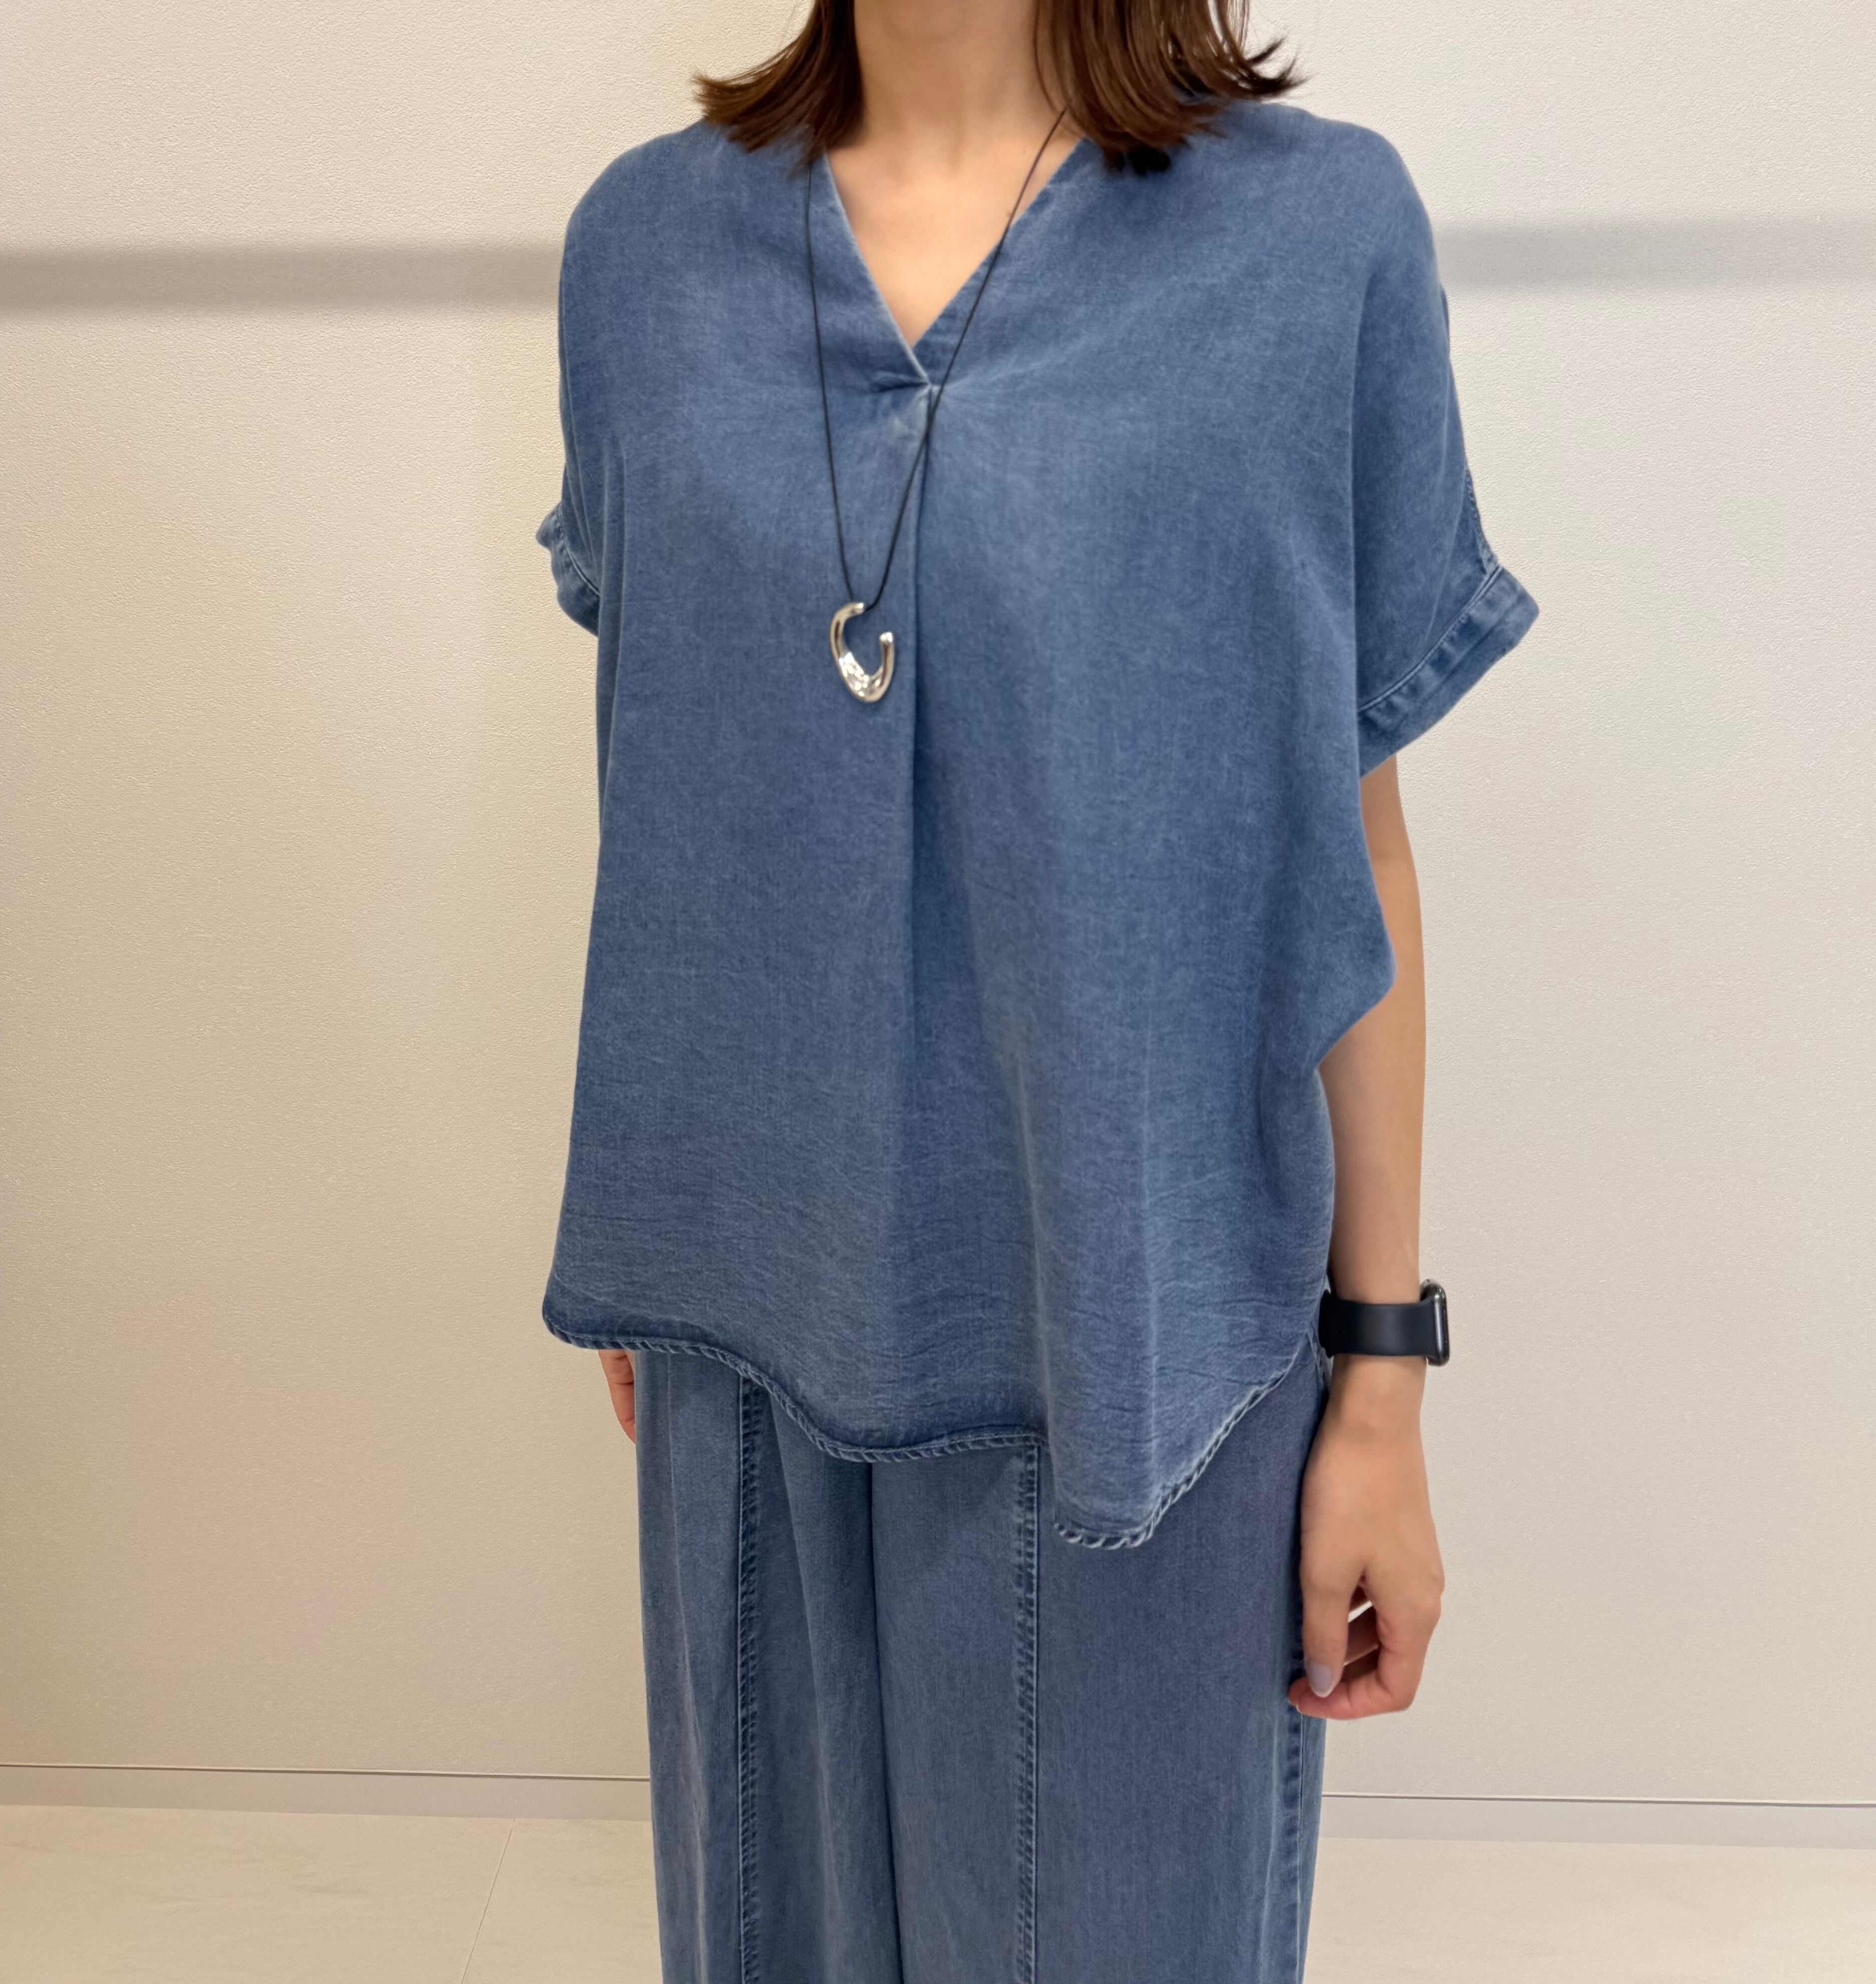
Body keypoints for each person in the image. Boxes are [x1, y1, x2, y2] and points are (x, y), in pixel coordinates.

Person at [535, 2, 1537, 1977]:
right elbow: (666, 763)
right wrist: (666, 1227)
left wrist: (1383, 1383)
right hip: (751, 1333)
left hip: (1154, 1350)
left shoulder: (1312, 240)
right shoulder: (644, 253)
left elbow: (1352, 847)